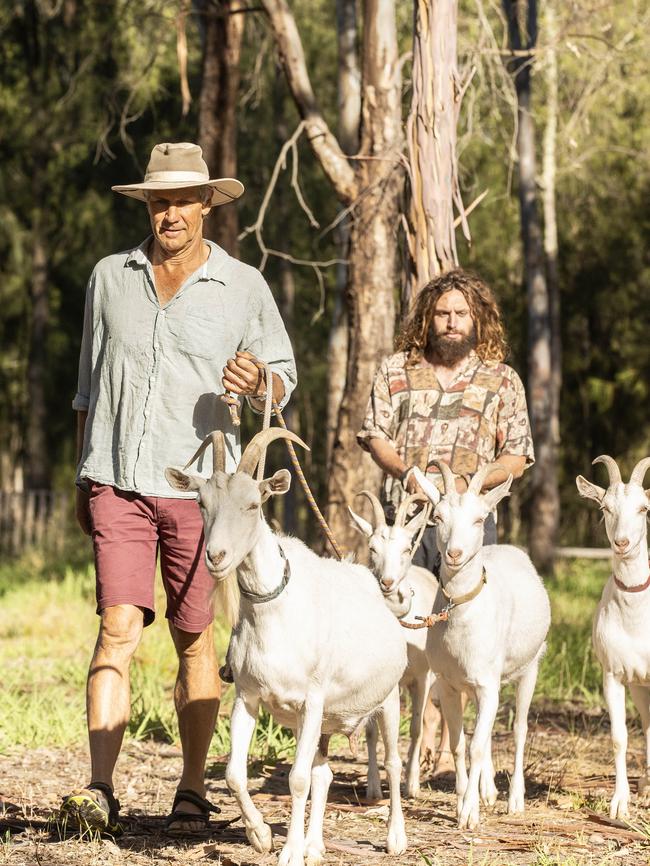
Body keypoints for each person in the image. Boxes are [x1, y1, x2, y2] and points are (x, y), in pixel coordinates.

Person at [59, 142, 296, 836]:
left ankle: (191, 789)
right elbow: (86, 386)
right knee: (117, 629)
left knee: (196, 639)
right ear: (148, 206)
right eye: (159, 202)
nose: (170, 214)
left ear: (206, 206)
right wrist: (83, 474)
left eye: (182, 201)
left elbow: (283, 376)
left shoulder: (243, 286)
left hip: (204, 496)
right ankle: (99, 790)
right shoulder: (109, 277)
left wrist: (261, 383)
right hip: (118, 479)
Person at [356, 267, 534, 769]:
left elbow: (518, 454)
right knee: (401, 624)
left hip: (470, 525)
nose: (451, 322)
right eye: (442, 313)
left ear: (477, 318)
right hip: (407, 524)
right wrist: (408, 472)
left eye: (461, 313)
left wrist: (476, 482)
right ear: (427, 319)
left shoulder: (501, 378)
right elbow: (375, 436)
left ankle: (460, 750)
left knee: (468, 627)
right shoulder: (396, 370)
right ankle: (399, 747)